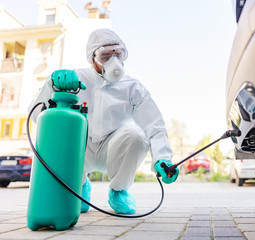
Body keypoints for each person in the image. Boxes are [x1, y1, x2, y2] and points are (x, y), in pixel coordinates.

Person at [29, 28, 179, 214]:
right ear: (92, 58)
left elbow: (154, 125)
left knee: (137, 135)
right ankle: (80, 185)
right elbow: (37, 116)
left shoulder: (133, 87)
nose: (114, 62)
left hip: (115, 148)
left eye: (118, 54)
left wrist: (162, 158)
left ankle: (119, 190)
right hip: (82, 149)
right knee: (64, 138)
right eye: (106, 56)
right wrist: (50, 85)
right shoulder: (75, 79)